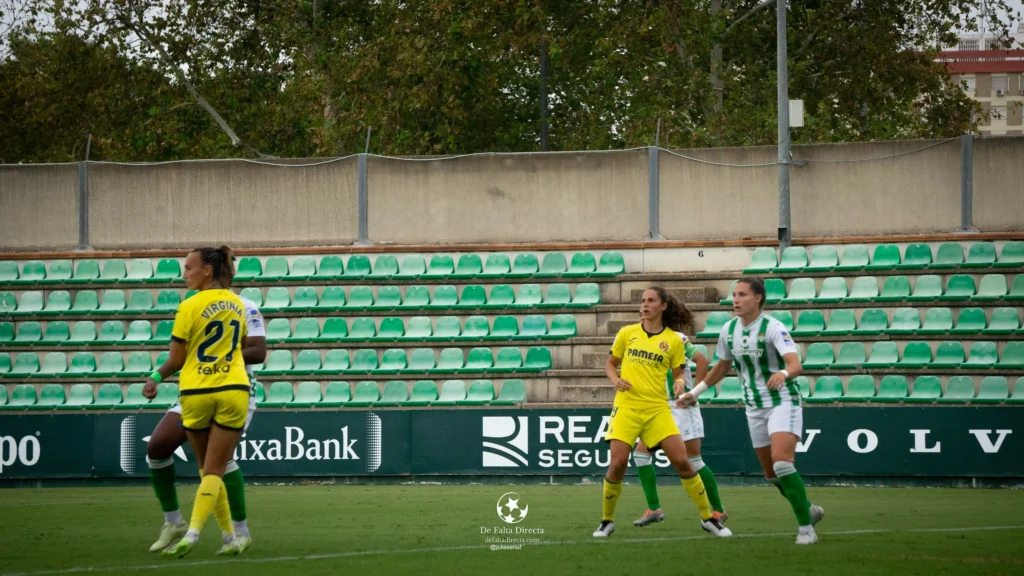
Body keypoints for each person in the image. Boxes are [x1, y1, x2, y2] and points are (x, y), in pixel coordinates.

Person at [678, 277, 824, 545]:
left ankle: (806, 529)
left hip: (782, 400)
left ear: (758, 298)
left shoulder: (773, 327)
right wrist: (694, 393)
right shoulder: (729, 329)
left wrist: (782, 373)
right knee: (771, 474)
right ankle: (809, 509)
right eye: (734, 295)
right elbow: (722, 366)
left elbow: (795, 365)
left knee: (782, 463)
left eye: (742, 294)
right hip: (753, 406)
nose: (736, 300)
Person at [594, 287, 731, 539]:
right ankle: (649, 509)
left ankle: (715, 512)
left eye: (650, 301)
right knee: (634, 458)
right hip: (638, 406)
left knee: (691, 461)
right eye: (642, 301)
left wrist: (691, 391)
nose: (644, 306)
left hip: (674, 405)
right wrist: (616, 380)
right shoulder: (628, 333)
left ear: (663, 307)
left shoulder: (676, 339)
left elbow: (697, 362)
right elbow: (611, 363)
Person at [143, 246, 253, 558]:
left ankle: (192, 532)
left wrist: (155, 377)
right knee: (215, 469)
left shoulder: (189, 305)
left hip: (196, 390)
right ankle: (229, 535)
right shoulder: (237, 303)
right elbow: (243, 346)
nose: (184, 274)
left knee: (208, 468)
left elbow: (177, 358)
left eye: (189, 268)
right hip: (233, 387)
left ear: (207, 270)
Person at [632, 323, 727, 527]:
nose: (643, 314)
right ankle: (654, 508)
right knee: (640, 455)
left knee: (694, 461)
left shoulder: (677, 338)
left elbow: (702, 361)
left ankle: (718, 509)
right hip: (658, 408)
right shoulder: (640, 339)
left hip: (681, 406)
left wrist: (694, 394)